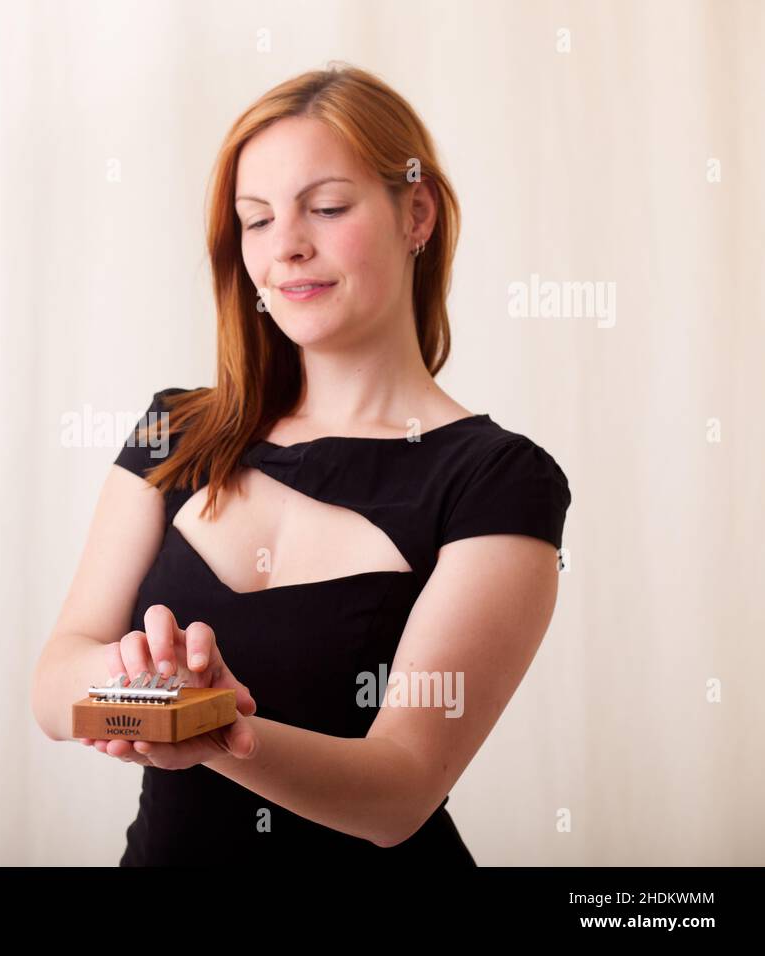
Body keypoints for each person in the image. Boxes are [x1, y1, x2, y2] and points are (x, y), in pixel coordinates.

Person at [30, 63, 571, 866]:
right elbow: (54, 687)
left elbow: (399, 791)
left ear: (415, 212)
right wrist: (145, 686)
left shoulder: (500, 481)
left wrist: (219, 733)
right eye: (256, 219)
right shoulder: (173, 429)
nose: (286, 245)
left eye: (326, 207)